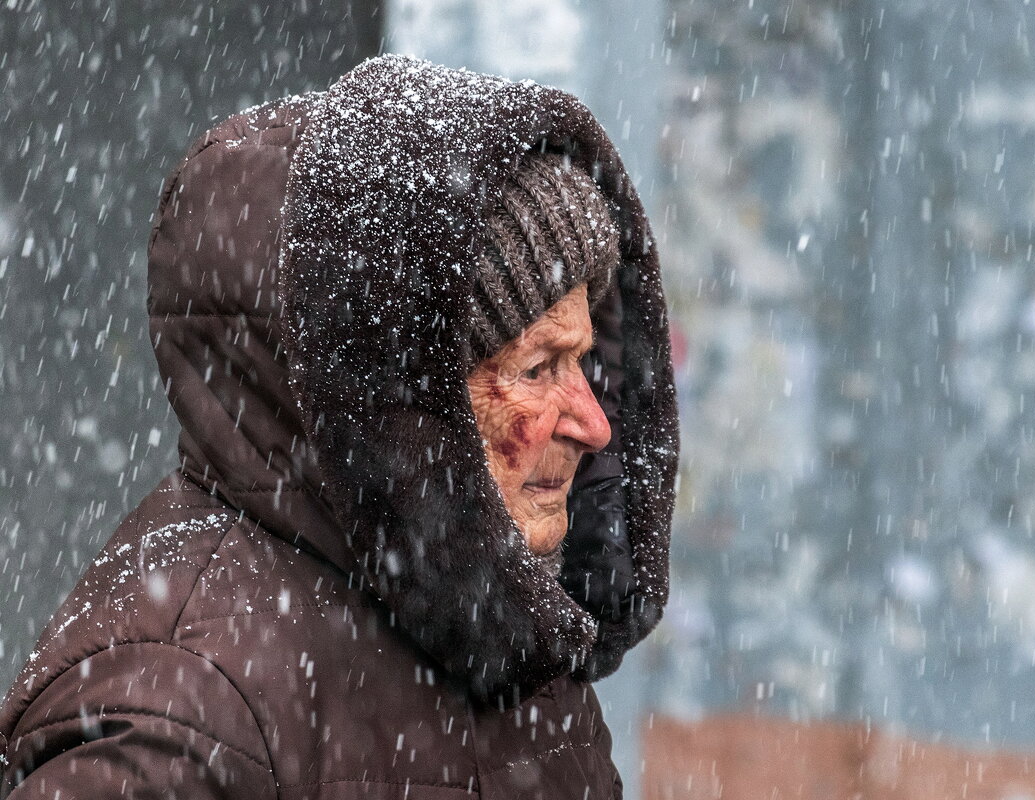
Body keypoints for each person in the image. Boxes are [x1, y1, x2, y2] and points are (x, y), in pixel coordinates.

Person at [0, 55, 678, 799]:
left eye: (582, 360)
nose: (594, 425)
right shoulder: (181, 704)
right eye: (540, 367)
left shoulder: (498, 633)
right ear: (399, 397)